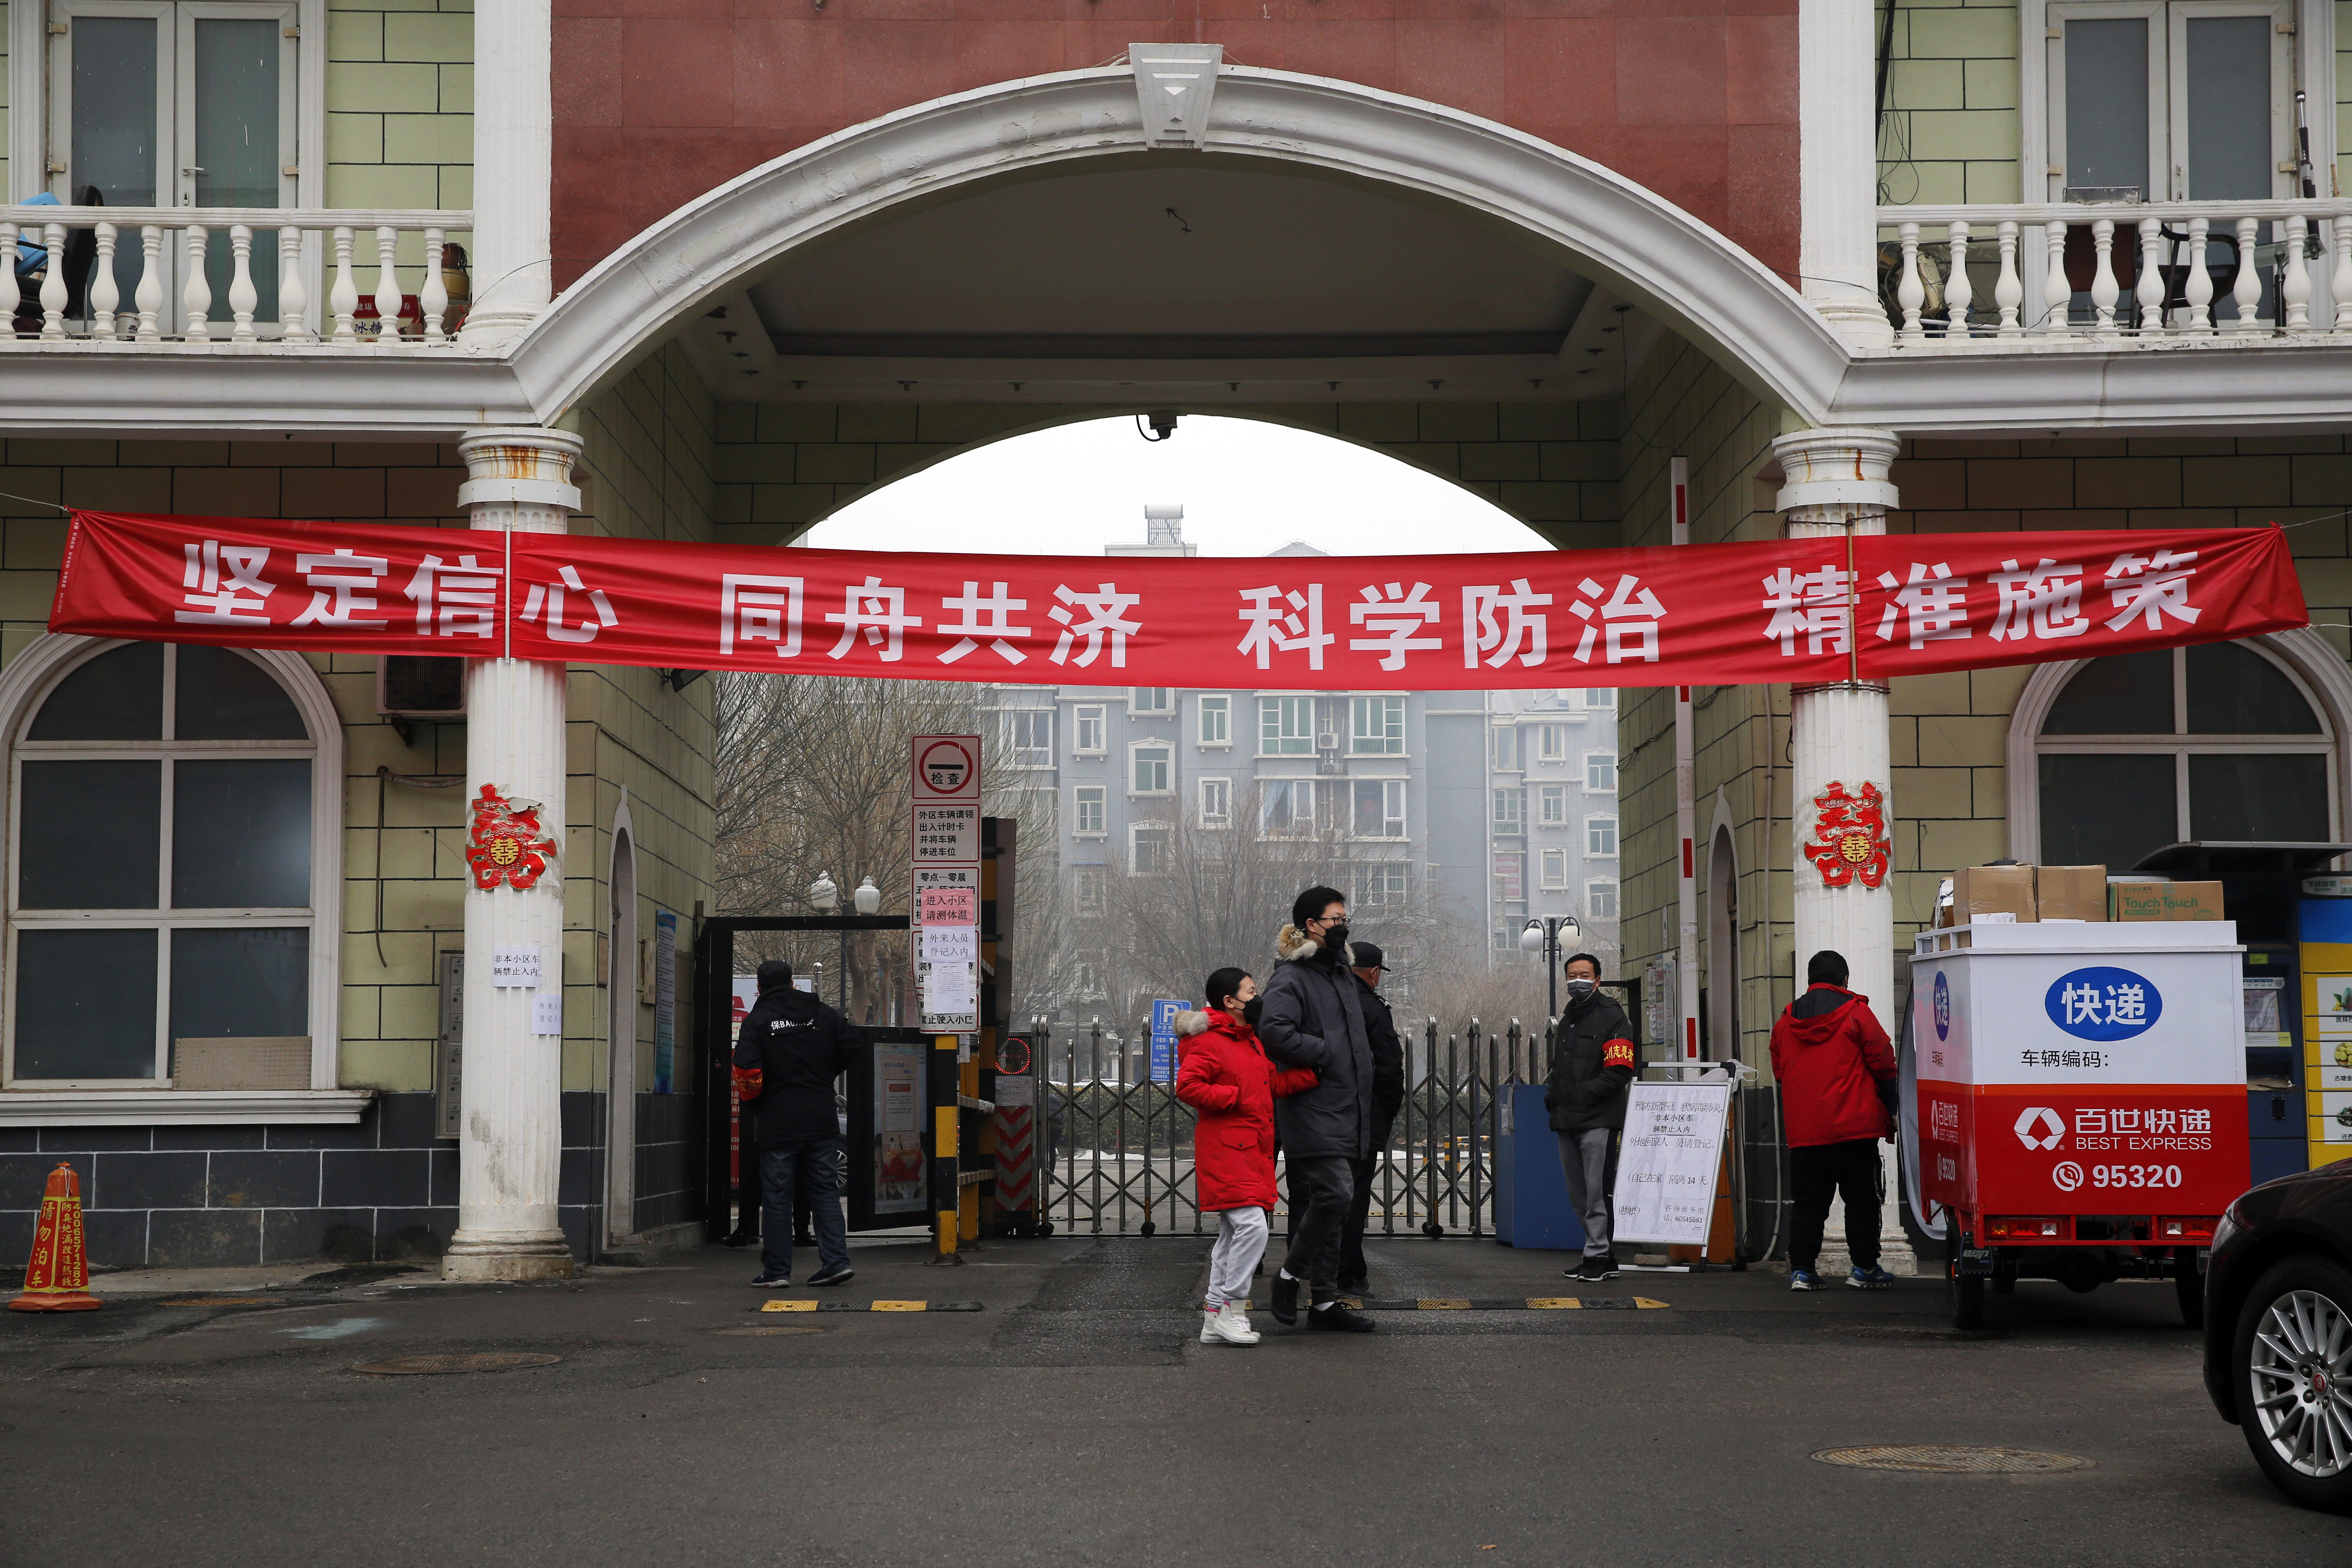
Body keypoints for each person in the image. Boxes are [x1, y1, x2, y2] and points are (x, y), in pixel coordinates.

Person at [1174, 968, 1318, 1347]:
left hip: (1249, 1149)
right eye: (1252, 993)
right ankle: (1233, 1310)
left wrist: (1314, 1073)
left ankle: (1214, 1317)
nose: (1260, 1000)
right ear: (1230, 1001)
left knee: (1231, 1234)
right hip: (1227, 1149)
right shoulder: (1211, 1041)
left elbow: (1273, 1084)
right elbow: (1187, 1087)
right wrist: (1232, 1096)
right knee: (1253, 1226)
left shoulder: (1249, 1042)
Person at [1257, 885, 1379, 1333]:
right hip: (1313, 1106)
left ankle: (1324, 1304)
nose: (1343, 925)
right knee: (1336, 1195)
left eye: (1345, 918)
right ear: (1311, 925)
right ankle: (1289, 1278)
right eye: (1334, 919)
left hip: (1348, 1106)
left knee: (1335, 1206)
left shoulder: (1340, 973)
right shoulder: (1293, 976)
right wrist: (1324, 1053)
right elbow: (1273, 1031)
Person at [1770, 949, 1900, 1292]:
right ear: (1845, 980)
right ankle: (1865, 1268)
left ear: (1809, 981)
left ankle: (1802, 1271)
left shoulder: (1785, 1022)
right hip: (1855, 1129)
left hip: (1806, 1132)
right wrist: (1893, 1105)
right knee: (1862, 1201)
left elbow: (1781, 1072)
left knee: (1809, 1204)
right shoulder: (1857, 1013)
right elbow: (1884, 1061)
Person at [731, 959, 864, 1288]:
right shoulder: (821, 1013)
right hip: (820, 1118)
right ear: (792, 984)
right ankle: (836, 1263)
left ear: (759, 988)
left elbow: (746, 1072)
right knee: (825, 1193)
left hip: (779, 1123)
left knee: (777, 1197)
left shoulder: (758, 1020)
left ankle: (776, 1272)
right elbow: (854, 1045)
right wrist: (823, 1077)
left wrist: (760, 1103)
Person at [1544, 952, 1638, 1283]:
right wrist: (1555, 1097)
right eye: (1572, 975)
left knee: (1596, 1190)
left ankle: (1596, 1255)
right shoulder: (1569, 1018)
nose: (1577, 980)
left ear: (1598, 979)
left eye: (1584, 974)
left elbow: (1620, 1070)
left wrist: (1583, 1097)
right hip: (1567, 1118)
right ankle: (1600, 1252)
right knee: (1578, 1192)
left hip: (1597, 1118)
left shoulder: (1613, 1016)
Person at [1336, 941, 1405, 1297]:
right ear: (1374, 974)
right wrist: (1387, 1111)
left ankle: (1308, 1265)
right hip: (1360, 1118)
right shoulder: (1372, 1008)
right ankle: (1346, 1274)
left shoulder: (1325, 1002)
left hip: (1322, 1116)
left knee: (1321, 1195)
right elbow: (1390, 1067)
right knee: (1354, 1195)